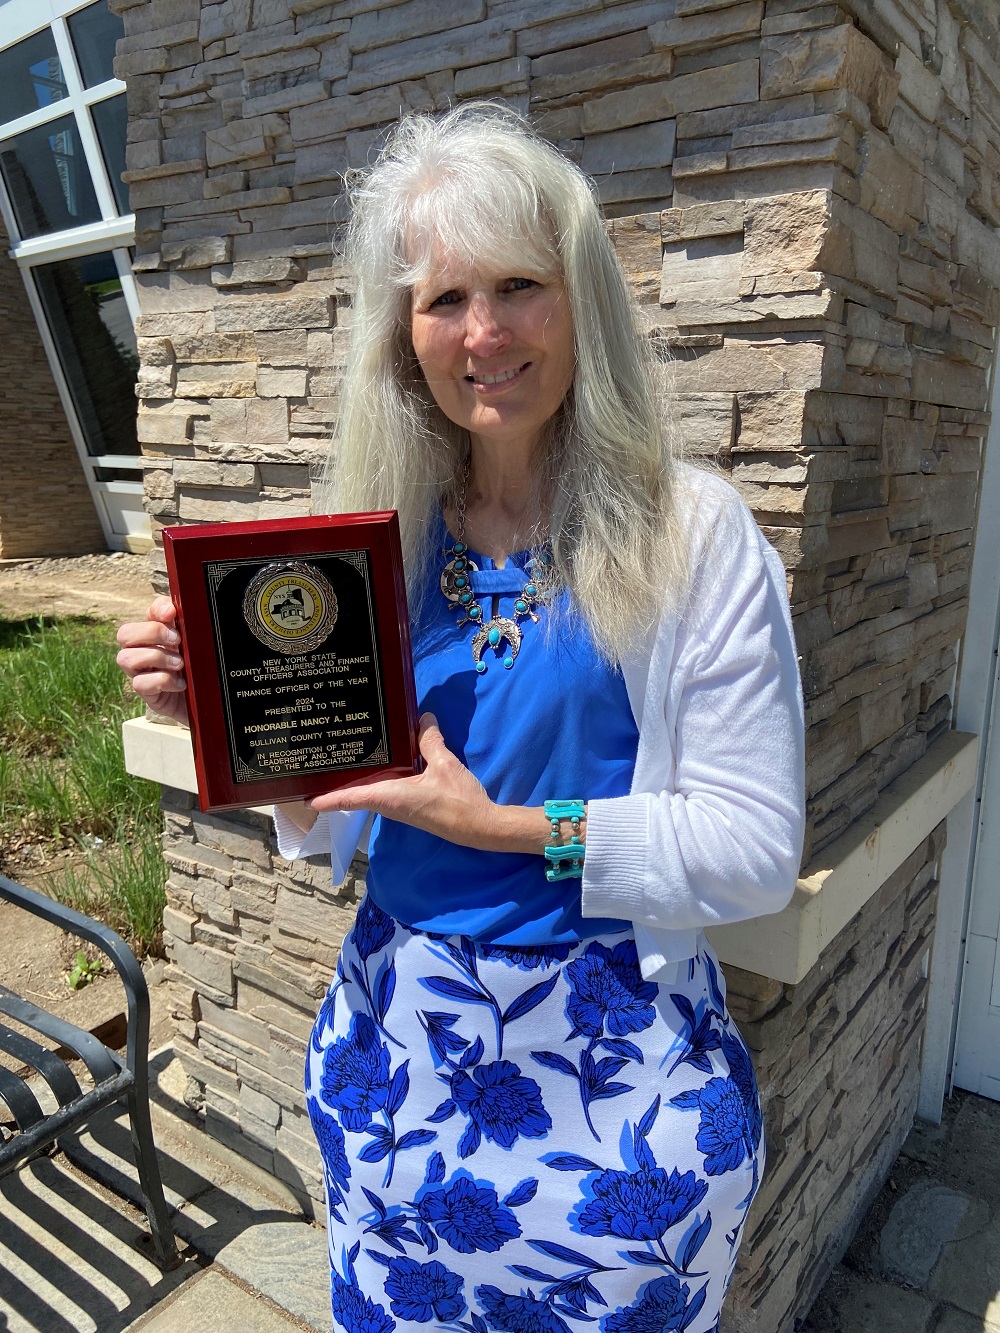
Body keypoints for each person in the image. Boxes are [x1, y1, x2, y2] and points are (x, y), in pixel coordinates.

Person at [118, 104, 805, 1333]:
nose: (482, 332)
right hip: (401, 1052)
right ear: (402, 333)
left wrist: (501, 827)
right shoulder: (375, 539)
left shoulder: (694, 535)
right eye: (442, 300)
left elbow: (754, 851)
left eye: (519, 286)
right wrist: (232, 729)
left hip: (619, 1082)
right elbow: (337, 807)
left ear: (581, 298)